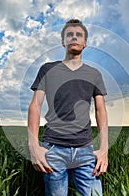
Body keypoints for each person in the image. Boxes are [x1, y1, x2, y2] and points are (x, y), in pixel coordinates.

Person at [28, 19, 108, 196]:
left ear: (85, 43)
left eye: (79, 35)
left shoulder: (95, 74)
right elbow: (35, 105)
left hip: (85, 150)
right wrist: (34, 147)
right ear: (63, 41)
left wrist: (104, 150)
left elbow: (101, 110)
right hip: (53, 149)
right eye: (69, 34)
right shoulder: (47, 69)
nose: (74, 37)